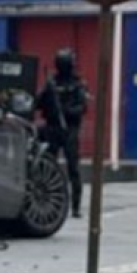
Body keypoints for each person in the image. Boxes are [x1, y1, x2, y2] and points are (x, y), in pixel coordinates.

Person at [37, 48, 89, 218]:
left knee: (73, 168)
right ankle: (50, 203)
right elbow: (39, 104)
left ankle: (76, 206)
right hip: (53, 128)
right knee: (48, 167)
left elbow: (82, 107)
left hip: (70, 129)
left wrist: (66, 111)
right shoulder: (52, 83)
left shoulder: (77, 84)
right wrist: (47, 98)